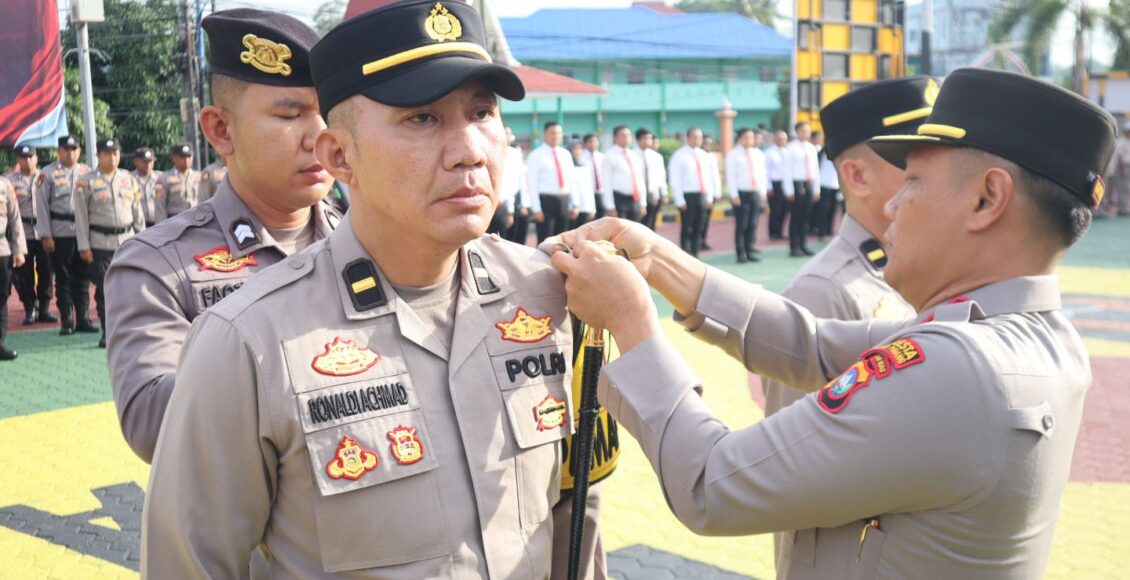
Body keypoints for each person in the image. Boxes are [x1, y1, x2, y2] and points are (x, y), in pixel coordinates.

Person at [547, 67, 1115, 579]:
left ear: (987, 199)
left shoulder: (959, 366)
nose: (892, 205)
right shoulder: (1029, 336)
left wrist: (632, 321)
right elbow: (814, 346)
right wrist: (661, 262)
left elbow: (711, 482)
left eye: (914, 180)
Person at [143, 2, 604, 578]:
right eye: (422, 118)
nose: (470, 150)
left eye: (482, 112)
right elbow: (189, 564)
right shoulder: (248, 342)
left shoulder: (548, 295)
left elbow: (575, 515)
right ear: (339, 156)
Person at [105, 8, 340, 463]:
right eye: (290, 114)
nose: (318, 136)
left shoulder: (365, 239)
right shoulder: (159, 267)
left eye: (327, 113)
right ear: (221, 130)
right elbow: (153, 422)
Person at [73, 138, 145, 348]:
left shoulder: (128, 178)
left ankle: (129, 330)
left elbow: (137, 212)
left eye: (115, 153)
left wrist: (143, 239)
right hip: (100, 244)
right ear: (98, 156)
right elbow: (81, 216)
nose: (112, 158)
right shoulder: (85, 181)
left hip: (128, 240)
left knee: (130, 287)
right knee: (105, 290)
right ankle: (108, 332)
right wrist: (84, 246)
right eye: (107, 154)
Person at [36, 134, 96, 335]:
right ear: (58, 151)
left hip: (83, 232)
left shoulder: (87, 172)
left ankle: (83, 318)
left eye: (74, 149)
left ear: (79, 151)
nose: (70, 153)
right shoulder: (47, 174)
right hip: (59, 232)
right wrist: (45, 234)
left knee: (82, 277)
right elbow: (41, 207)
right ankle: (67, 321)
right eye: (66, 149)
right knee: (63, 278)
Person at [9, 144, 55, 325]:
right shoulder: (11, 181)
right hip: (22, 232)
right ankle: (29, 308)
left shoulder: (46, 177)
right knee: (24, 273)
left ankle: (44, 309)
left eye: (30, 157)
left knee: (46, 271)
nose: (27, 161)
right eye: (23, 157)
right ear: (18, 160)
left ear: (36, 158)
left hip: (44, 231)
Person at [528, 121, 578, 243]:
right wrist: (536, 208)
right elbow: (532, 184)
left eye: (559, 133)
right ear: (545, 134)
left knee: (564, 241)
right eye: (553, 133)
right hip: (546, 203)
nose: (556, 136)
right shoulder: (536, 155)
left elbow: (572, 180)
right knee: (546, 241)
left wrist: (575, 203)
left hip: (564, 201)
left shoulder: (566, 154)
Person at [668, 127, 712, 257]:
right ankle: (686, 255)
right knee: (687, 227)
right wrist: (679, 199)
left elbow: (708, 177)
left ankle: (696, 254)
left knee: (699, 227)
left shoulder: (704, 155)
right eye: (695, 137)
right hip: (687, 195)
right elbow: (675, 179)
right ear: (688, 138)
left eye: (700, 137)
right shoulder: (679, 156)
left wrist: (709, 196)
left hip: (702, 194)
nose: (698, 140)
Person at [726, 127, 767, 263]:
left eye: (752, 137)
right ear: (740, 139)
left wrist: (762, 191)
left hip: (755, 192)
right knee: (742, 224)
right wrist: (734, 194)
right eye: (747, 137)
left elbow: (762, 174)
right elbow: (731, 176)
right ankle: (741, 252)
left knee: (753, 223)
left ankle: (749, 250)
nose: (750, 140)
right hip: (741, 193)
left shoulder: (758, 154)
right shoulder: (733, 155)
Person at [0, 171, 27, 360]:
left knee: (1, 298)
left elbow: (15, 219)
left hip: (2, 248)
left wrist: (19, 249)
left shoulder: (4, 185)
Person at [601, 125, 646, 223]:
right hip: (619, 199)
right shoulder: (610, 156)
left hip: (635, 198)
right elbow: (606, 182)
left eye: (629, 135)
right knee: (621, 228)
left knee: (634, 228)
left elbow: (640, 179)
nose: (627, 137)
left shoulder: (634, 155)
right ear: (615, 137)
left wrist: (643, 203)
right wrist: (610, 206)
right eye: (623, 135)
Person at [786, 123, 818, 256]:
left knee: (806, 216)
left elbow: (815, 169)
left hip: (809, 182)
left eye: (808, 131)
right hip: (796, 183)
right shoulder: (791, 148)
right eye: (804, 130)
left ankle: (803, 244)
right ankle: (794, 246)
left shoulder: (811, 148)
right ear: (797, 132)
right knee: (796, 217)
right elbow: (787, 170)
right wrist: (789, 190)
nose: (806, 133)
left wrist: (816, 189)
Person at [503, 127, 532, 245]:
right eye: (505, 133)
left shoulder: (514, 154)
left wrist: (524, 203)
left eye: (509, 134)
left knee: (516, 238)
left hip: (515, 198)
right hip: (500, 200)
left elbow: (521, 180)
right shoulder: (491, 151)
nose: (507, 136)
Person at [156, 143, 201, 217]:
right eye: (182, 157)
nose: (186, 160)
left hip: (197, 217)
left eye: (189, 156)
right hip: (175, 218)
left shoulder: (199, 177)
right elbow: (159, 206)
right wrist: (162, 223)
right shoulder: (162, 179)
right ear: (173, 158)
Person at [765, 130, 793, 240]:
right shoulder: (769, 153)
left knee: (785, 209)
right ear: (775, 139)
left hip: (786, 184)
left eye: (784, 139)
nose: (782, 141)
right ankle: (773, 232)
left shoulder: (788, 152)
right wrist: (768, 186)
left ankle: (780, 231)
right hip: (775, 184)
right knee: (775, 209)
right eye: (780, 139)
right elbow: (766, 171)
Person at [636, 128, 666, 230]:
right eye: (645, 138)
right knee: (638, 224)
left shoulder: (656, 157)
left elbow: (661, 176)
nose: (648, 141)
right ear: (638, 140)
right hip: (637, 194)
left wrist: (664, 193)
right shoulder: (632, 155)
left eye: (649, 138)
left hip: (653, 193)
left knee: (651, 223)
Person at [699, 135, 720, 251]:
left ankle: (703, 240)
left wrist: (717, 192)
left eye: (710, 143)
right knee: (699, 219)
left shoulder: (712, 157)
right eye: (705, 143)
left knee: (706, 219)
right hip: (702, 192)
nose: (707, 146)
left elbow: (715, 176)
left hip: (711, 193)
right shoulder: (698, 156)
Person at [132, 147, 162, 227]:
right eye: (144, 162)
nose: (148, 165)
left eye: (150, 161)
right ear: (136, 161)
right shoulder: (130, 179)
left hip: (159, 224)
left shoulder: (161, 178)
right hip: (138, 225)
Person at [571, 140, 597, 228]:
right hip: (572, 209)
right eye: (575, 149)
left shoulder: (585, 167)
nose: (578, 151)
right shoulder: (567, 167)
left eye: (580, 148)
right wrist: (574, 205)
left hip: (585, 206)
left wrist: (593, 208)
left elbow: (589, 189)